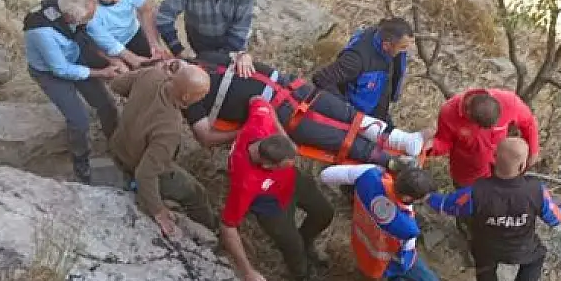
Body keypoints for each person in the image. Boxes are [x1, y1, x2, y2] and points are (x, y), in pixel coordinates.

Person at [425, 137, 561, 281]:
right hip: (522, 248)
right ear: (522, 165)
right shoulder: (535, 190)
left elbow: (446, 205)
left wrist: (425, 195)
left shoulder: (476, 192)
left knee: (484, 264)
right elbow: (555, 218)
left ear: (493, 159)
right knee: (537, 257)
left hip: (485, 246)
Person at [176, 53, 430, 167]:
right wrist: (246, 130)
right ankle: (396, 164)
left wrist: (244, 56)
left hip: (291, 87)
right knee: (343, 140)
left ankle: (404, 141)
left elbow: (239, 54)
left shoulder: (204, 58)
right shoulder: (190, 98)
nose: (170, 66)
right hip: (280, 116)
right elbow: (205, 137)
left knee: (349, 116)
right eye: (168, 69)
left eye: (169, 63)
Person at [219, 96, 335, 281]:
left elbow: (259, 100)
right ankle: (302, 276)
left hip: (292, 182)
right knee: (292, 244)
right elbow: (227, 226)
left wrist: (284, 138)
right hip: (270, 203)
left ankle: (307, 243)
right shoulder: (245, 182)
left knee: (324, 212)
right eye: (286, 163)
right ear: (267, 166)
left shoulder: (260, 124)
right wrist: (248, 272)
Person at [319, 163, 439, 281]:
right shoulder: (407, 228)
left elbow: (326, 175)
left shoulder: (368, 176)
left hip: (362, 245)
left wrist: (376, 167)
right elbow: (405, 259)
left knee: (397, 271)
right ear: (408, 198)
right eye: (421, 199)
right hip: (384, 258)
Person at [24, 0, 126, 184]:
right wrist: (101, 72)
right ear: (70, 17)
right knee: (79, 120)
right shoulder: (41, 31)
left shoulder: (73, 5)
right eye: (87, 18)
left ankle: (117, 147)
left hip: (73, 56)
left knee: (106, 105)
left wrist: (117, 57)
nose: (90, 20)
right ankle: (82, 168)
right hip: (49, 73)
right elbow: (60, 70)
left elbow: (94, 33)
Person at [108, 63, 216, 237]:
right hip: (135, 163)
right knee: (196, 193)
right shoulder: (169, 128)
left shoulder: (152, 74)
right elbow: (145, 174)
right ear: (187, 97)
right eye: (202, 94)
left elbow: (116, 84)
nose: (203, 98)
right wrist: (158, 211)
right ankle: (211, 231)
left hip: (119, 147)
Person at [428, 87, 540, 188]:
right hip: (470, 175)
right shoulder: (449, 113)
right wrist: (429, 147)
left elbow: (529, 122)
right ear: (468, 113)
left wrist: (533, 152)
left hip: (502, 170)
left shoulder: (509, 102)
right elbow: (444, 142)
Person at [312, 17, 414, 123]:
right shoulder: (356, 59)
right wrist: (347, 110)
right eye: (403, 47)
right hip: (356, 119)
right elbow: (322, 78)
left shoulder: (390, 43)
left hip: (378, 111)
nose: (406, 51)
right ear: (386, 45)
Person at [85, 0, 165, 66]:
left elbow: (145, 11)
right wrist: (131, 58)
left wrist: (154, 44)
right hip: (105, 47)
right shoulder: (86, 2)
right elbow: (103, 38)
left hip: (132, 32)